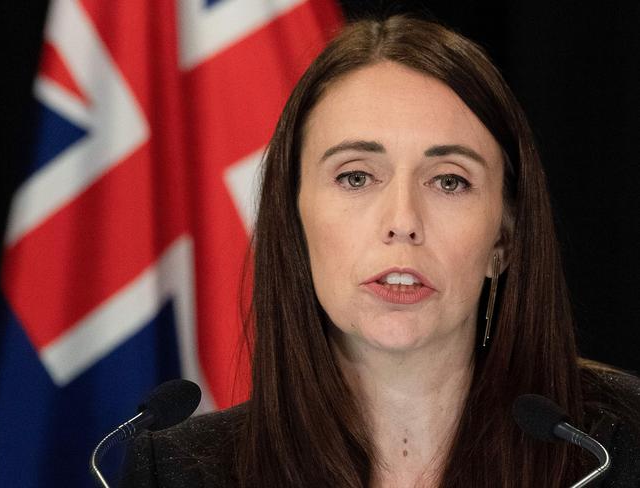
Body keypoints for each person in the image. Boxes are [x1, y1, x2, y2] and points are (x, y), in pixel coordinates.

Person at [119, 15, 640, 488]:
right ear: (293, 222)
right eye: (356, 176)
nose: (402, 222)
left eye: (450, 182)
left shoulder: (618, 451)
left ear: (503, 241)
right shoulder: (179, 472)